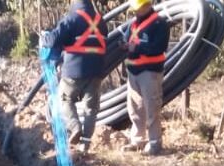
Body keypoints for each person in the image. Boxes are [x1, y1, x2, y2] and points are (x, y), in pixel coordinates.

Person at [41, 0, 108, 154]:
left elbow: (53, 40)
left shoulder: (71, 19)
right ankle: (85, 143)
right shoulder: (101, 21)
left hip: (74, 71)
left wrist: (43, 38)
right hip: (96, 71)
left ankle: (74, 126)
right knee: (91, 108)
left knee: (65, 99)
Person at [120, 0, 169, 156]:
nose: (135, 12)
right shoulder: (134, 24)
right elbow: (128, 39)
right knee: (135, 107)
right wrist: (125, 45)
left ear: (147, 6)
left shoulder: (159, 24)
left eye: (138, 9)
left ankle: (155, 143)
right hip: (133, 71)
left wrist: (138, 48)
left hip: (150, 71)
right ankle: (137, 140)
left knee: (151, 107)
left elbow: (158, 47)